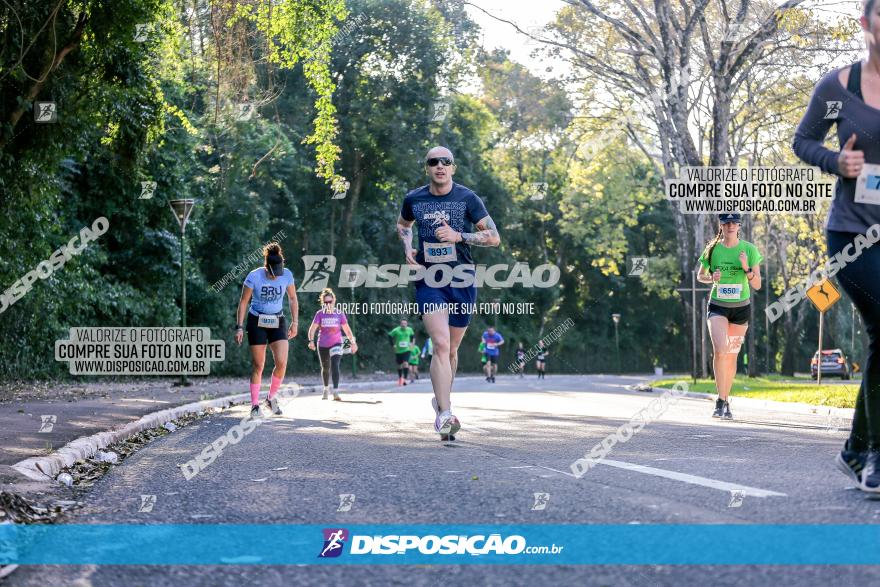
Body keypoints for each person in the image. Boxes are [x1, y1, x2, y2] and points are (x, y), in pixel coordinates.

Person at [793, 0, 880, 492]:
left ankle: (856, 450)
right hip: (853, 234)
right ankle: (876, 456)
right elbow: (804, 140)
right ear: (865, 23)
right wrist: (835, 163)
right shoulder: (839, 89)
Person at [396, 146, 501, 439]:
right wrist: (408, 248)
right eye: (434, 162)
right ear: (427, 168)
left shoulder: (468, 198)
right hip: (430, 278)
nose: (440, 166)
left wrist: (459, 236)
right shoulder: (414, 198)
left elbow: (493, 237)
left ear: (453, 168)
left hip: (462, 278)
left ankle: (442, 401)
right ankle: (445, 413)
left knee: (452, 349)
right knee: (440, 344)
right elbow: (404, 225)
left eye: (446, 162)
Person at [696, 213, 762, 421]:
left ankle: (726, 399)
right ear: (721, 225)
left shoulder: (749, 250)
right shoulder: (713, 249)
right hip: (718, 307)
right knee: (720, 350)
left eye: (735, 223)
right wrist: (710, 277)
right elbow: (701, 275)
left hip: (741, 309)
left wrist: (746, 269)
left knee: (732, 354)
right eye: (727, 223)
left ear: (739, 226)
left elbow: (757, 284)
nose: (731, 226)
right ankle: (719, 400)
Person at [234, 243, 298, 417]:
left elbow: (292, 298)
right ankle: (255, 405)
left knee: (282, 363)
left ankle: (271, 398)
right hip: (257, 321)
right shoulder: (254, 276)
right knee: (258, 365)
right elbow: (243, 302)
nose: (276, 277)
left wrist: (295, 322)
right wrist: (239, 327)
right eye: (272, 274)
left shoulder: (287, 275)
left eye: (279, 273)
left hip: (278, 320)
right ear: (266, 267)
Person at [307, 288, 358, 401]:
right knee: (325, 368)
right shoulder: (319, 314)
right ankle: (326, 388)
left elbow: (347, 330)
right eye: (326, 302)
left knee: (335, 365)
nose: (328, 304)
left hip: (337, 343)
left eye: (330, 302)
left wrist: (353, 343)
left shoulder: (339, 314)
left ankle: (335, 391)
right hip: (323, 344)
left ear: (334, 301)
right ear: (323, 303)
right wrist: (311, 341)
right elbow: (312, 329)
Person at [388, 319, 415, 386]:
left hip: (407, 350)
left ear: (407, 324)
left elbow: (412, 335)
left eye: (405, 323)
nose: (404, 325)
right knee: (399, 366)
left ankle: (405, 379)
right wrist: (393, 345)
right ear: (400, 324)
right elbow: (389, 336)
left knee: (405, 363)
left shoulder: (410, 330)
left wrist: (411, 343)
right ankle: (400, 378)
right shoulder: (396, 330)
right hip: (398, 350)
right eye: (402, 323)